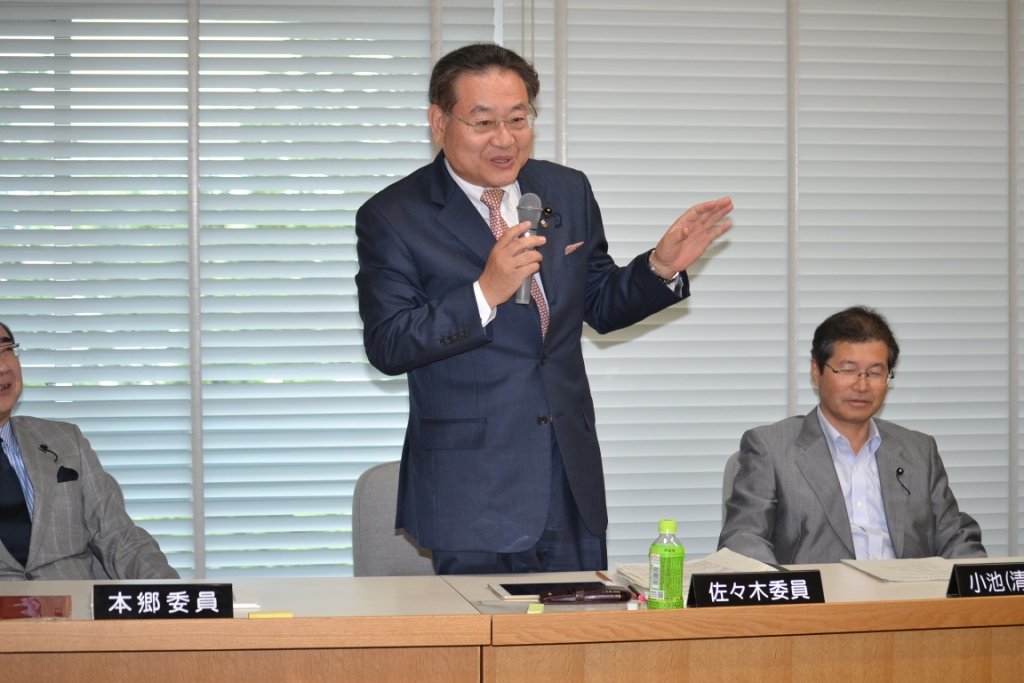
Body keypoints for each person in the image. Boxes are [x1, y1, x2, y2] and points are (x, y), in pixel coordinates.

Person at [356, 43, 733, 574]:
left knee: (580, 624)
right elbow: (389, 343)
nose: (505, 139)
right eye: (483, 122)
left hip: (568, 476)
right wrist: (485, 292)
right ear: (439, 122)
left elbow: (597, 302)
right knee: (486, 629)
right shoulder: (393, 216)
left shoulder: (566, 189)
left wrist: (659, 267)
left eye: (518, 119)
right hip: (472, 488)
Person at [719, 306, 986, 565]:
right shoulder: (771, 448)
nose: (862, 385)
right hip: (820, 594)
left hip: (907, 594)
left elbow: (956, 536)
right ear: (816, 370)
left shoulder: (919, 450)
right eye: (848, 370)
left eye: (875, 373)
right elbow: (743, 539)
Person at [0, 322, 178, 580]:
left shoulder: (65, 440)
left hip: (75, 601)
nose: (3, 367)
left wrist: (172, 593)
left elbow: (119, 536)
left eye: (6, 350)